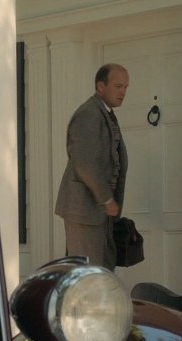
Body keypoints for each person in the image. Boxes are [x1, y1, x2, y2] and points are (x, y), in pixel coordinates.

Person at [54, 63, 129, 270]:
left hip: (98, 212)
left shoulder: (104, 113)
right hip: (84, 210)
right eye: (118, 86)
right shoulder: (89, 114)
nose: (123, 92)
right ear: (100, 87)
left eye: (125, 87)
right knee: (87, 274)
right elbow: (85, 163)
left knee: (101, 271)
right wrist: (106, 198)